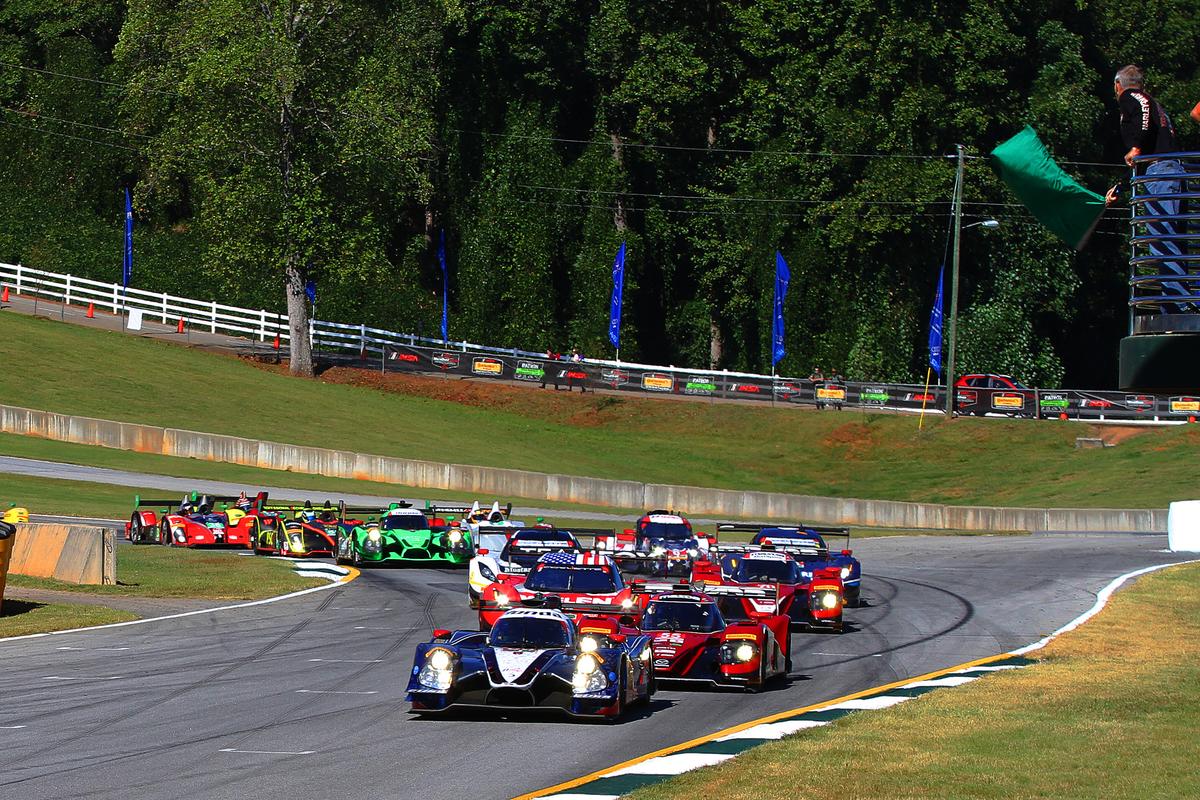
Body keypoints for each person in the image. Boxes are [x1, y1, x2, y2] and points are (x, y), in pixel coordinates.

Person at [1113, 65, 1187, 308]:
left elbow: (1142, 129)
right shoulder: (1153, 104)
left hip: (1160, 175)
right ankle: (1175, 302)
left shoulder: (1133, 97)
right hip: (1169, 171)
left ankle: (1180, 302)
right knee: (1170, 237)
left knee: (1162, 237)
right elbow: (1144, 151)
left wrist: (1135, 147)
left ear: (1118, 85)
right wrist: (1121, 186)